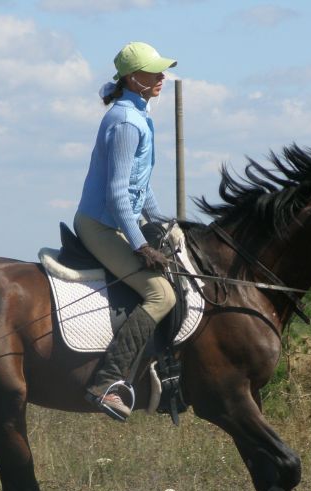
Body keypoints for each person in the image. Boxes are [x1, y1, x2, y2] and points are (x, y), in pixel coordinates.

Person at [74, 42, 178, 421]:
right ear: (133, 78)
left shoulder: (139, 114)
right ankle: (107, 382)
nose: (162, 76)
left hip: (121, 220)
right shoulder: (126, 122)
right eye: (154, 71)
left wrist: (163, 224)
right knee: (160, 295)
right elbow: (118, 195)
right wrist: (141, 245)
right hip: (102, 226)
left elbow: (141, 187)